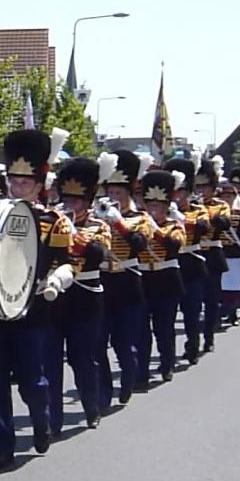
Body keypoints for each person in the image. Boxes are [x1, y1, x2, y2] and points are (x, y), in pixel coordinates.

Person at [0, 129, 73, 468]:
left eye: (25, 182)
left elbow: (67, 262)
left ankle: (41, 417)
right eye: (13, 181)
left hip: (33, 308)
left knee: (32, 379)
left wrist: (56, 279)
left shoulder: (54, 221)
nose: (17, 187)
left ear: (39, 184)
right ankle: (2, 446)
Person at [44, 157, 110, 432]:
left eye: (78, 199)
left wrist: (73, 234)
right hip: (53, 296)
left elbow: (100, 254)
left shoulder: (99, 225)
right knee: (49, 360)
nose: (71, 204)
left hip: (84, 296)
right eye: (67, 198)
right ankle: (53, 418)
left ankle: (91, 406)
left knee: (83, 358)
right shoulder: (50, 223)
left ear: (88, 200)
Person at [96, 150, 153, 407]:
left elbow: (140, 244)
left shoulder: (140, 218)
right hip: (102, 281)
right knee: (98, 343)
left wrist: (119, 223)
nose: (113, 197)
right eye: (111, 191)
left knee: (124, 341)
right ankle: (103, 393)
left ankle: (129, 378)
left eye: (119, 193)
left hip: (128, 281)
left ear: (129, 193)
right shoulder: (97, 216)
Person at [135, 170, 186, 382]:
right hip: (143, 279)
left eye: (158, 205)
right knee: (141, 330)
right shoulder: (139, 225)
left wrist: (155, 229)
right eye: (150, 204)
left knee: (164, 327)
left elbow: (173, 246)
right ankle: (142, 371)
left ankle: (167, 365)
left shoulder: (175, 225)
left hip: (166, 279)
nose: (153, 208)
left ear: (167, 206)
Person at [164, 157, 211, 367]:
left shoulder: (198, 209)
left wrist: (181, 219)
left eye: (182, 191)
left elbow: (204, 227)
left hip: (191, 263)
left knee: (192, 311)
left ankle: (193, 344)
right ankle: (168, 358)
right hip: (169, 266)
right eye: (175, 192)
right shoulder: (160, 213)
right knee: (167, 316)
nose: (178, 196)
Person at [194, 156, 232, 348]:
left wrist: (204, 213)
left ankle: (209, 335)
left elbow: (224, 224)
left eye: (205, 187)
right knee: (192, 301)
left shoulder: (220, 205)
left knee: (211, 298)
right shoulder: (189, 206)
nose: (201, 191)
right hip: (193, 254)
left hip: (212, 253)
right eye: (198, 187)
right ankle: (193, 340)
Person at [217, 168, 240, 326]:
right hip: (220, 253)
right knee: (220, 286)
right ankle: (219, 313)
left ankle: (233, 313)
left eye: (230, 196)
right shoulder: (215, 214)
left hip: (235, 253)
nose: (227, 199)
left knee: (235, 285)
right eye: (224, 196)